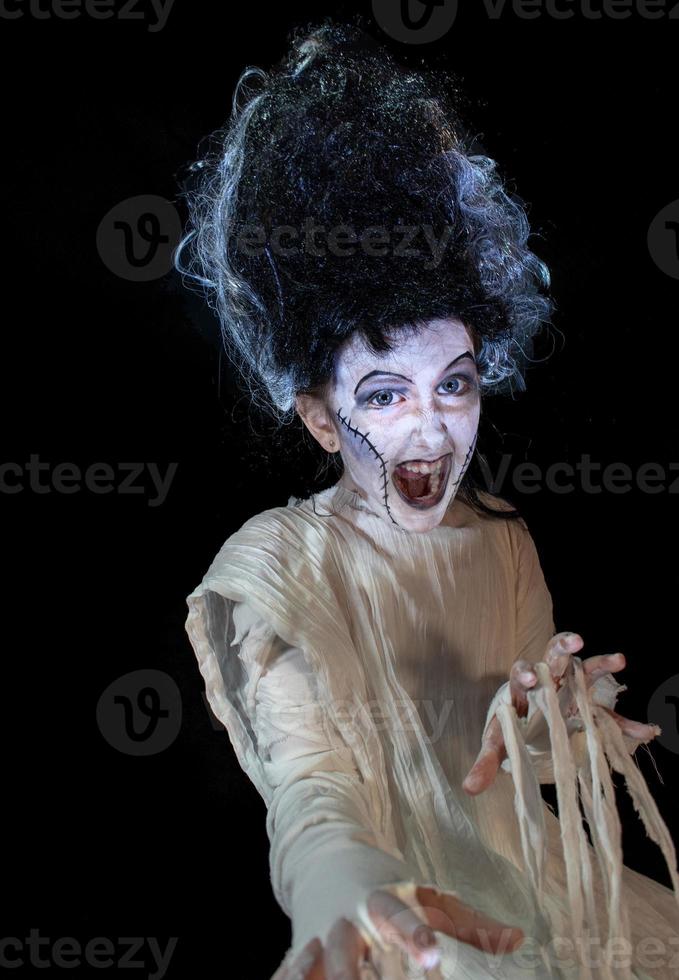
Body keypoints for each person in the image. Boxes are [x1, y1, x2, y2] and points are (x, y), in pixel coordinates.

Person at [176, 19, 679, 979]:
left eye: (453, 383)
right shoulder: (279, 567)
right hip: (411, 918)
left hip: (548, 895)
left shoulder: (500, 541)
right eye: (383, 395)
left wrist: (556, 726)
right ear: (323, 420)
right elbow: (310, 796)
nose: (431, 430)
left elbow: (510, 760)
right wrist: (342, 893)